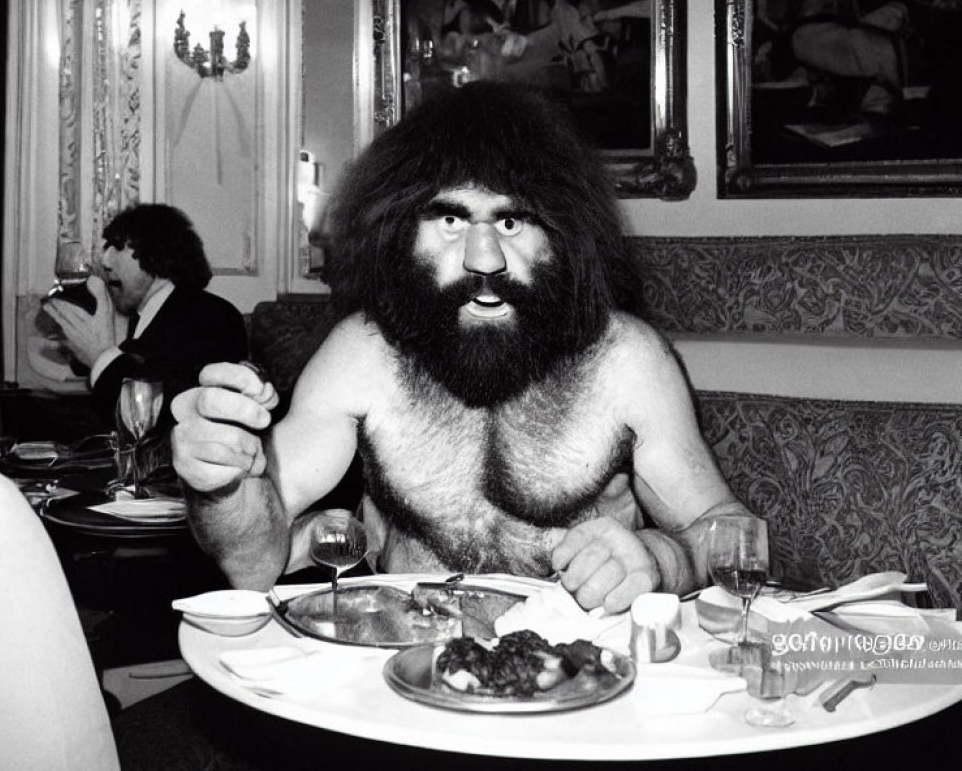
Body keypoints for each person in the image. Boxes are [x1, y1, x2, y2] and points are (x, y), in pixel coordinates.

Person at [171, 81, 750, 614]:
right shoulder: (364, 355)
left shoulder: (624, 360)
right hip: (401, 684)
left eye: (512, 222)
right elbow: (253, 564)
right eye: (450, 218)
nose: (483, 258)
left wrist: (660, 559)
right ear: (402, 229)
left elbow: (742, 538)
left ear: (563, 234)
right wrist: (220, 484)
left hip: (580, 692)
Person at [42, 203, 249, 426]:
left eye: (118, 247)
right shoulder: (149, 315)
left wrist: (100, 356)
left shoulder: (210, 315)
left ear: (157, 252)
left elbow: (164, 417)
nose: (105, 261)